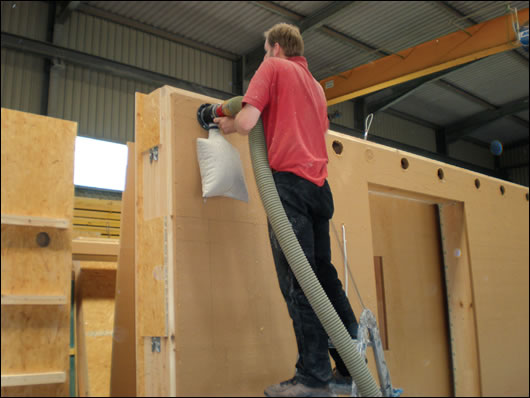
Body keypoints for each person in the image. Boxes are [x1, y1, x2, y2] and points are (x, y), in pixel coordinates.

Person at [214, 23, 359, 397]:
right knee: (324, 279)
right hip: (319, 188)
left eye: (265, 50)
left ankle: (313, 377)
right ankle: (348, 367)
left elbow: (246, 121)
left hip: (289, 189)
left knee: (299, 282)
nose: (264, 56)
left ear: (276, 48)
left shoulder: (273, 69)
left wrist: (223, 123)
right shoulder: (315, 86)